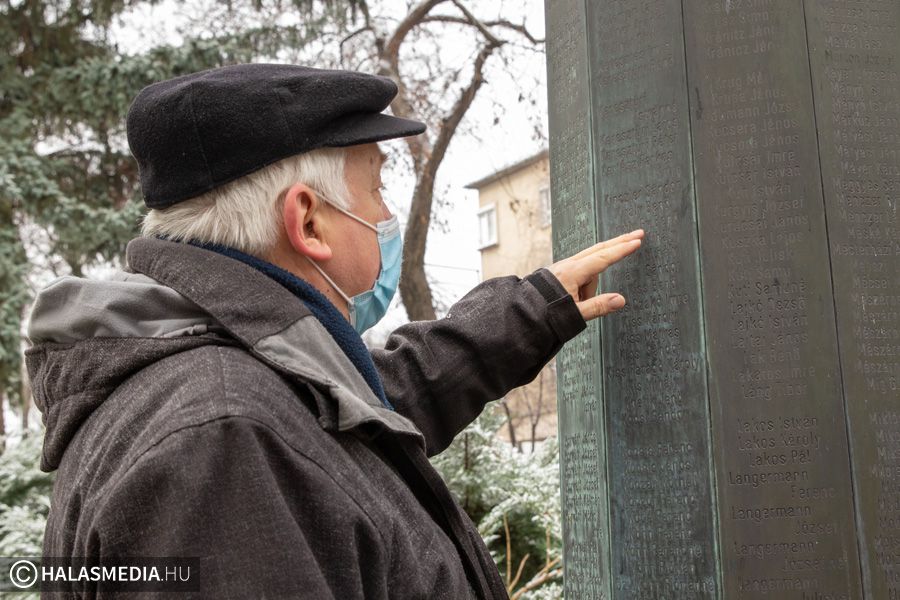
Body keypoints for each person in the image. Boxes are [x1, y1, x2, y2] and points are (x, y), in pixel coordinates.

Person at [25, 63, 643, 598]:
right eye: (375, 187)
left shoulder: (233, 385)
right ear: (308, 222)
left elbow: (358, 413)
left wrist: (531, 309)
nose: (386, 214)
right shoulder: (226, 443)